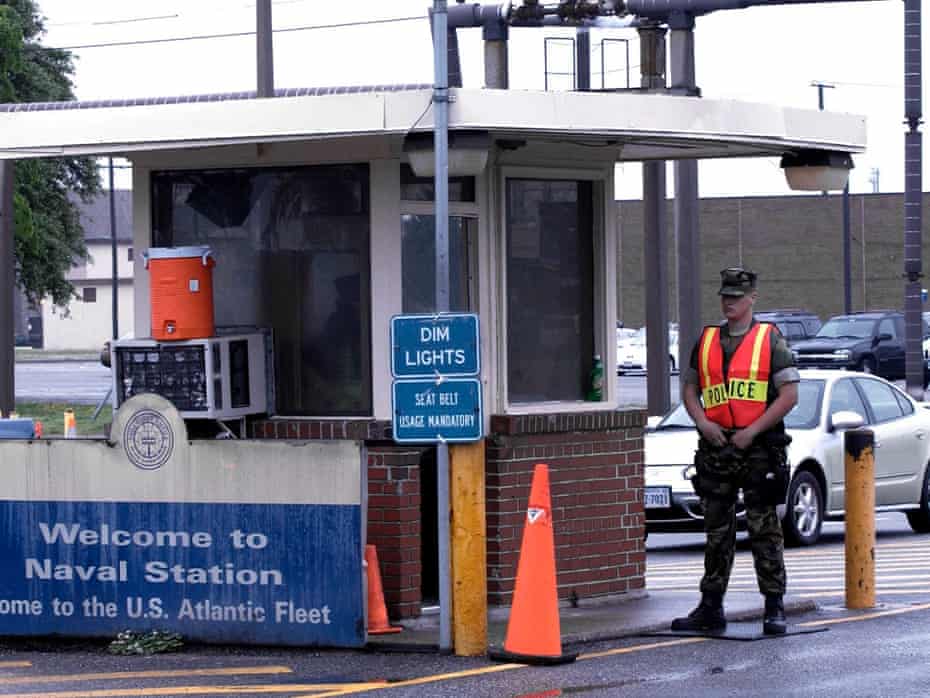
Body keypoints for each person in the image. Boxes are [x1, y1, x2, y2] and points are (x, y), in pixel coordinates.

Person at [671, 266, 799, 636]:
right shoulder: (707, 340)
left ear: (752, 298)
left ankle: (774, 606)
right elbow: (690, 389)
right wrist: (703, 422)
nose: (729, 303)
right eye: (725, 296)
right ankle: (710, 607)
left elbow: (789, 395)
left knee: (764, 529)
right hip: (717, 448)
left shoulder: (769, 341)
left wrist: (752, 431)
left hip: (758, 449)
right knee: (716, 530)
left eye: (736, 297)